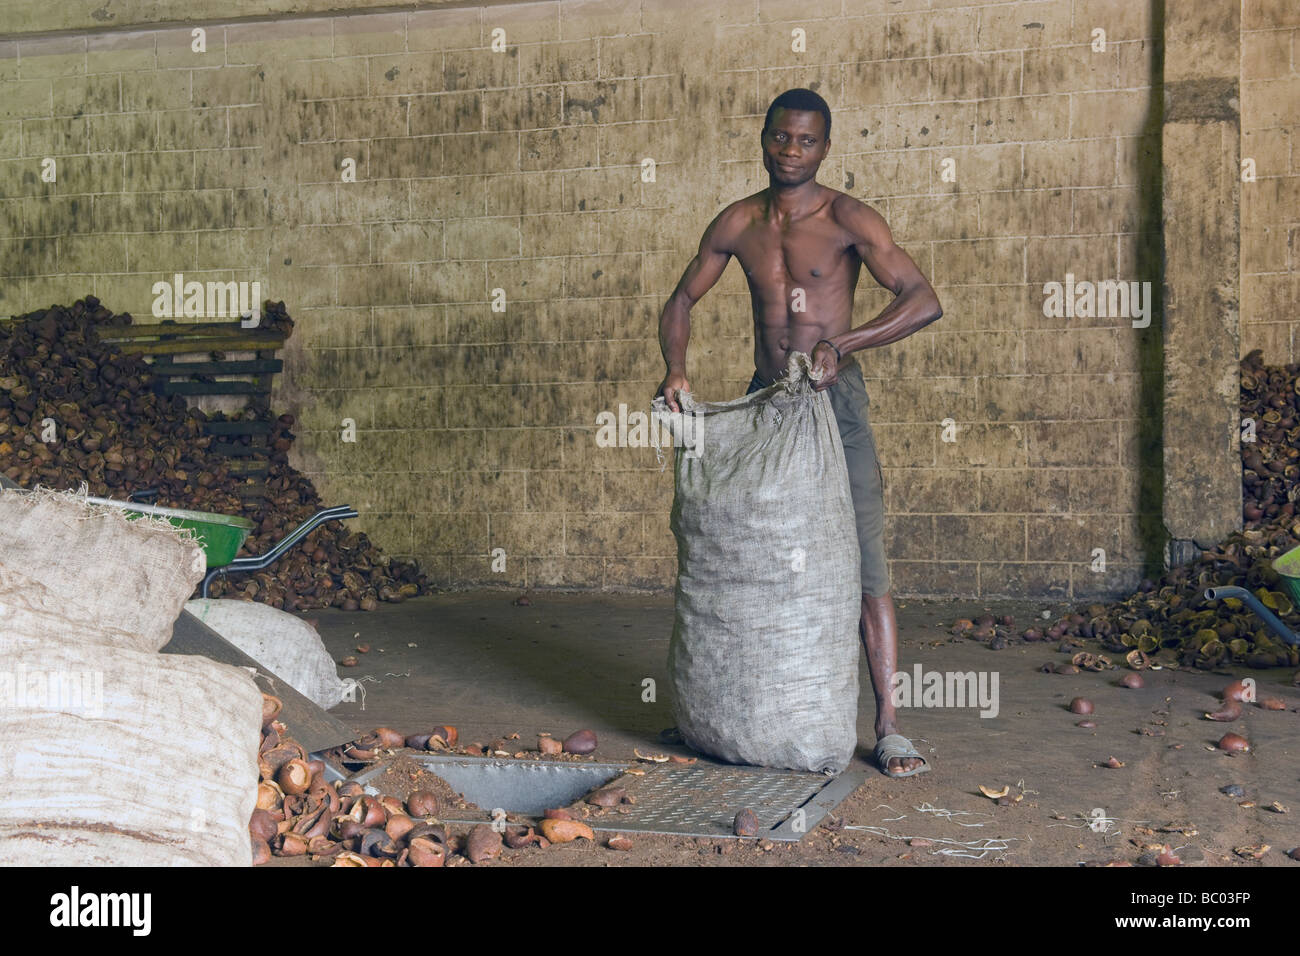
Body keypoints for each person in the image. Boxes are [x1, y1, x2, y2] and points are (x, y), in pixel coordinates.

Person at [655, 88, 943, 777]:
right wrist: (675, 370)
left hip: (833, 405)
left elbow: (924, 299)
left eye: (806, 141)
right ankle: (735, 710)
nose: (791, 151)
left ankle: (891, 726)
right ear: (764, 138)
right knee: (747, 555)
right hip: (768, 402)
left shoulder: (847, 218)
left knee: (865, 561)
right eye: (781, 138)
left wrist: (846, 344)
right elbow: (682, 298)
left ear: (825, 147)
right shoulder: (737, 222)